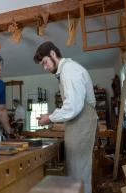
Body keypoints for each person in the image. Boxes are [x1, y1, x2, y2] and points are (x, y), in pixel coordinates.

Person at [33, 41, 97, 193]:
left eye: (45, 62)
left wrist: (50, 118)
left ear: (53, 54)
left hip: (81, 121)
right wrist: (51, 115)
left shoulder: (69, 70)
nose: (45, 67)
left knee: (78, 171)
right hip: (78, 121)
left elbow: (73, 107)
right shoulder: (66, 71)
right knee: (76, 169)